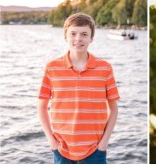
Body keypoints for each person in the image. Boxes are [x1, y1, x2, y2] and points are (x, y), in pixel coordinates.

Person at [38, 13, 119, 164]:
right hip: (61, 150)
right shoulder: (52, 68)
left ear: (91, 38)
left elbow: (113, 109)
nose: (78, 39)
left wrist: (104, 143)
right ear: (65, 36)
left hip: (95, 151)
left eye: (84, 34)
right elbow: (41, 107)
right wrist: (52, 141)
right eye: (73, 34)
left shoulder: (105, 69)